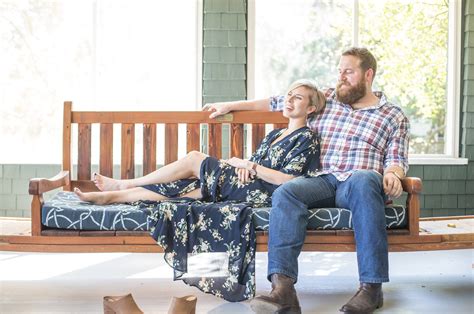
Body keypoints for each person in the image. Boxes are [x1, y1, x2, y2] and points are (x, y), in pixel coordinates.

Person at [203, 47, 409, 313]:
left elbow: (396, 158)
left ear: (368, 74)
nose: (341, 77)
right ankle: (284, 290)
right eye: (339, 71)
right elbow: (276, 102)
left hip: (359, 181)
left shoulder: (392, 115)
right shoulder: (326, 100)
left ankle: (371, 288)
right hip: (321, 179)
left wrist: (393, 174)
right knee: (288, 191)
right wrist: (231, 105)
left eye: (349, 71)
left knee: (366, 178)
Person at [74, 79, 325, 209]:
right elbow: (252, 165)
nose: (289, 100)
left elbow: (289, 181)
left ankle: (125, 183)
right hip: (245, 182)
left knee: (195, 157)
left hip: (265, 193)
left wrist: (249, 166)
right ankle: (111, 196)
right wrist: (242, 166)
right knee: (183, 189)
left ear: (311, 108)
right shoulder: (274, 135)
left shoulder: (307, 138)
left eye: (298, 97)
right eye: (289, 95)